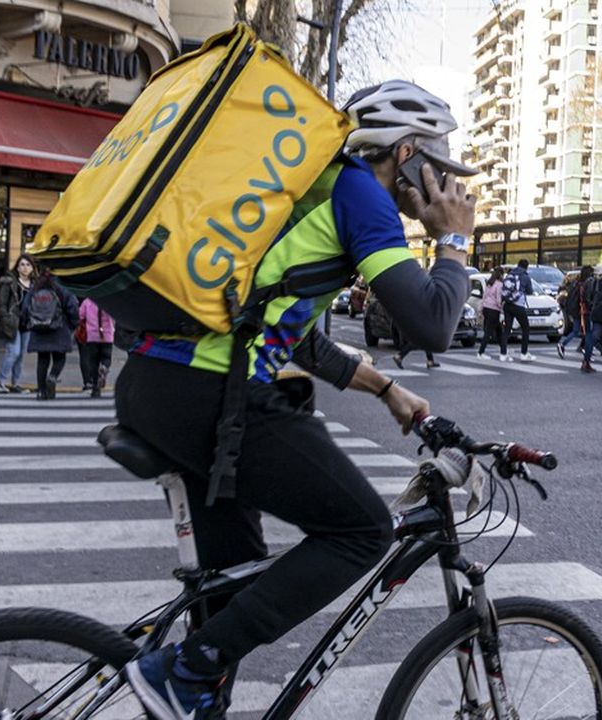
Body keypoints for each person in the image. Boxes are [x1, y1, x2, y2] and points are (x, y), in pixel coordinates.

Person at [121, 80, 473, 719]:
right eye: (438, 164)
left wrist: (385, 388)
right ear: (407, 152)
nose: (444, 182)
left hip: (160, 384)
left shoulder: (307, 187)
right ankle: (185, 671)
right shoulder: (358, 193)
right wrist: (453, 240)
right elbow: (431, 324)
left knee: (229, 601)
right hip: (213, 398)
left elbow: (292, 334)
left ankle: (192, 680)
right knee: (363, 531)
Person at [21, 267, 79, 400]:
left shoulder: (35, 288)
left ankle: (41, 391)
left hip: (38, 329)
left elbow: (25, 307)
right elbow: (72, 306)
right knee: (60, 358)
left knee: (42, 360)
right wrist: (74, 323)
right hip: (59, 328)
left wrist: (27, 323)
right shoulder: (62, 287)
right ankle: (52, 377)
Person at [0, 255, 35, 393]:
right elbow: (1, 302)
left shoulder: (34, 284)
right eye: (22, 264)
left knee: (21, 355)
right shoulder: (10, 282)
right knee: (13, 352)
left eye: (28, 265)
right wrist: (5, 316)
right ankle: (1, 382)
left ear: (32, 268)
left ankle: (16, 383)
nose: (25, 267)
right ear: (17, 267)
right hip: (13, 322)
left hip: (27, 323)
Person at [77, 298, 115, 397]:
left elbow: (80, 316)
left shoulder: (87, 302)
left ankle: (95, 388)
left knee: (93, 362)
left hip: (92, 337)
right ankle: (104, 367)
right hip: (107, 336)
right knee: (106, 358)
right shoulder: (109, 301)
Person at [501, 259, 535, 361]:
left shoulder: (510, 274)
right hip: (518, 305)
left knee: (507, 330)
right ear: (527, 267)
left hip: (507, 304)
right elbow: (530, 291)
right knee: (526, 329)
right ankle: (523, 353)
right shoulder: (525, 276)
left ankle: (503, 354)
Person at [557, 266, 593, 358]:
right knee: (588, 332)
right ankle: (587, 351)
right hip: (583, 311)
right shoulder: (587, 283)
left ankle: (563, 345)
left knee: (576, 331)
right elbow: (587, 299)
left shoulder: (576, 283)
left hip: (576, 310)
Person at [477, 267, 506, 360]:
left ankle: (503, 352)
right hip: (494, 310)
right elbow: (498, 299)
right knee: (489, 332)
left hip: (486, 308)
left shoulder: (489, 283)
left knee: (498, 332)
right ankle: (481, 352)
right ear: (501, 275)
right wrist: (502, 309)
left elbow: (484, 297)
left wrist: (481, 309)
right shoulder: (499, 285)